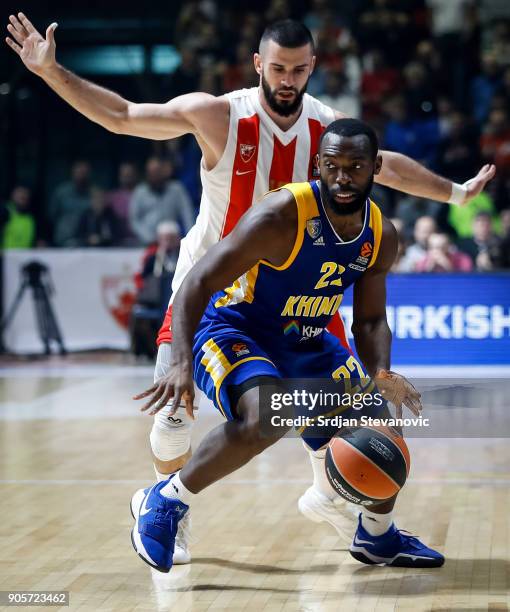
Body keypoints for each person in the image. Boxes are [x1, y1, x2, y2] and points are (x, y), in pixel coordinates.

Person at [6, 14, 495, 564]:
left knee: (360, 413)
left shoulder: (327, 129)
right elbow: (122, 116)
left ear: (313, 68)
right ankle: (169, 506)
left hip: (299, 297)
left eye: (299, 70)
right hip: (216, 292)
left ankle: (348, 509)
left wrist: (456, 193)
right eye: (278, 68)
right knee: (175, 420)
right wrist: (50, 72)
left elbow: (388, 167)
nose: (287, 80)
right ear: (259, 65)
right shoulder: (219, 114)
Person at [130, 118, 444, 573]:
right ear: (317, 164)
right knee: (268, 416)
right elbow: (196, 281)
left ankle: (377, 536)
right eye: (331, 165)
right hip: (235, 329)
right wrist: (179, 361)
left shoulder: (381, 234)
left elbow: (372, 320)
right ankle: (165, 500)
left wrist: (381, 377)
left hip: (306, 339)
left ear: (376, 167)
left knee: (381, 420)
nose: (341, 178)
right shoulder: (281, 215)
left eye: (355, 167)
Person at [129, 157, 195, 245]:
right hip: (147, 243)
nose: (154, 176)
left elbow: (187, 215)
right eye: (151, 173)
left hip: (172, 241)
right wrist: (150, 238)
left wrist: (189, 239)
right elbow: (134, 220)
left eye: (157, 172)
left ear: (164, 172)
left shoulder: (177, 189)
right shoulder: (140, 192)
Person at [48, 160, 94, 247]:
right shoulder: (61, 192)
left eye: (84, 173)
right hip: (63, 240)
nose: (81, 176)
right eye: (79, 172)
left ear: (89, 174)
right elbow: (52, 216)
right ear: (73, 173)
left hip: (85, 242)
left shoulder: (93, 193)